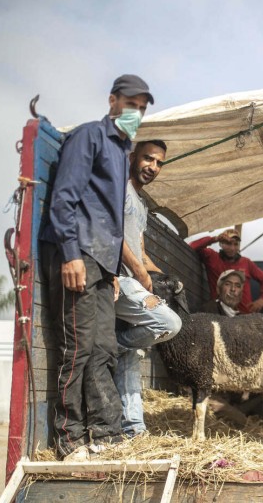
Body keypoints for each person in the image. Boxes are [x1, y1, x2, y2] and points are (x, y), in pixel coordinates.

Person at [39, 74, 154, 460]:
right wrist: (70, 254)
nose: (135, 112)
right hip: (79, 255)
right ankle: (69, 439)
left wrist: (116, 272)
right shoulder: (89, 137)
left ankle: (105, 435)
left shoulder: (123, 153)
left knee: (104, 347)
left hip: (103, 266)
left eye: (142, 107)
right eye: (130, 104)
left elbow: (114, 222)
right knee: (78, 348)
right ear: (112, 101)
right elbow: (64, 198)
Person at [114, 139, 182, 438]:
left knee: (130, 357)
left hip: (134, 282)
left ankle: (134, 430)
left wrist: (166, 276)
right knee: (169, 322)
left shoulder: (141, 204)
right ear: (133, 157)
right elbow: (112, 237)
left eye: (159, 163)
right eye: (148, 159)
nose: (153, 167)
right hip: (117, 281)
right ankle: (116, 342)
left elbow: (140, 251)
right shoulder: (118, 189)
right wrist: (141, 273)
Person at [190, 228, 263, 314]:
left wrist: (262, 299)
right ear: (221, 244)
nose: (232, 248)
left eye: (236, 244)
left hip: (245, 316)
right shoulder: (212, 257)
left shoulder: (246, 262)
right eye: (228, 243)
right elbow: (192, 246)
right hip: (221, 314)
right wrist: (215, 239)